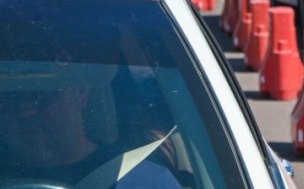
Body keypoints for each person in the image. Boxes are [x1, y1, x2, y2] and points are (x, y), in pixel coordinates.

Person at [0, 33, 182, 188]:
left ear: (81, 95)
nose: (26, 112)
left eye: (43, 95)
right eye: (11, 98)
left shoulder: (142, 182)